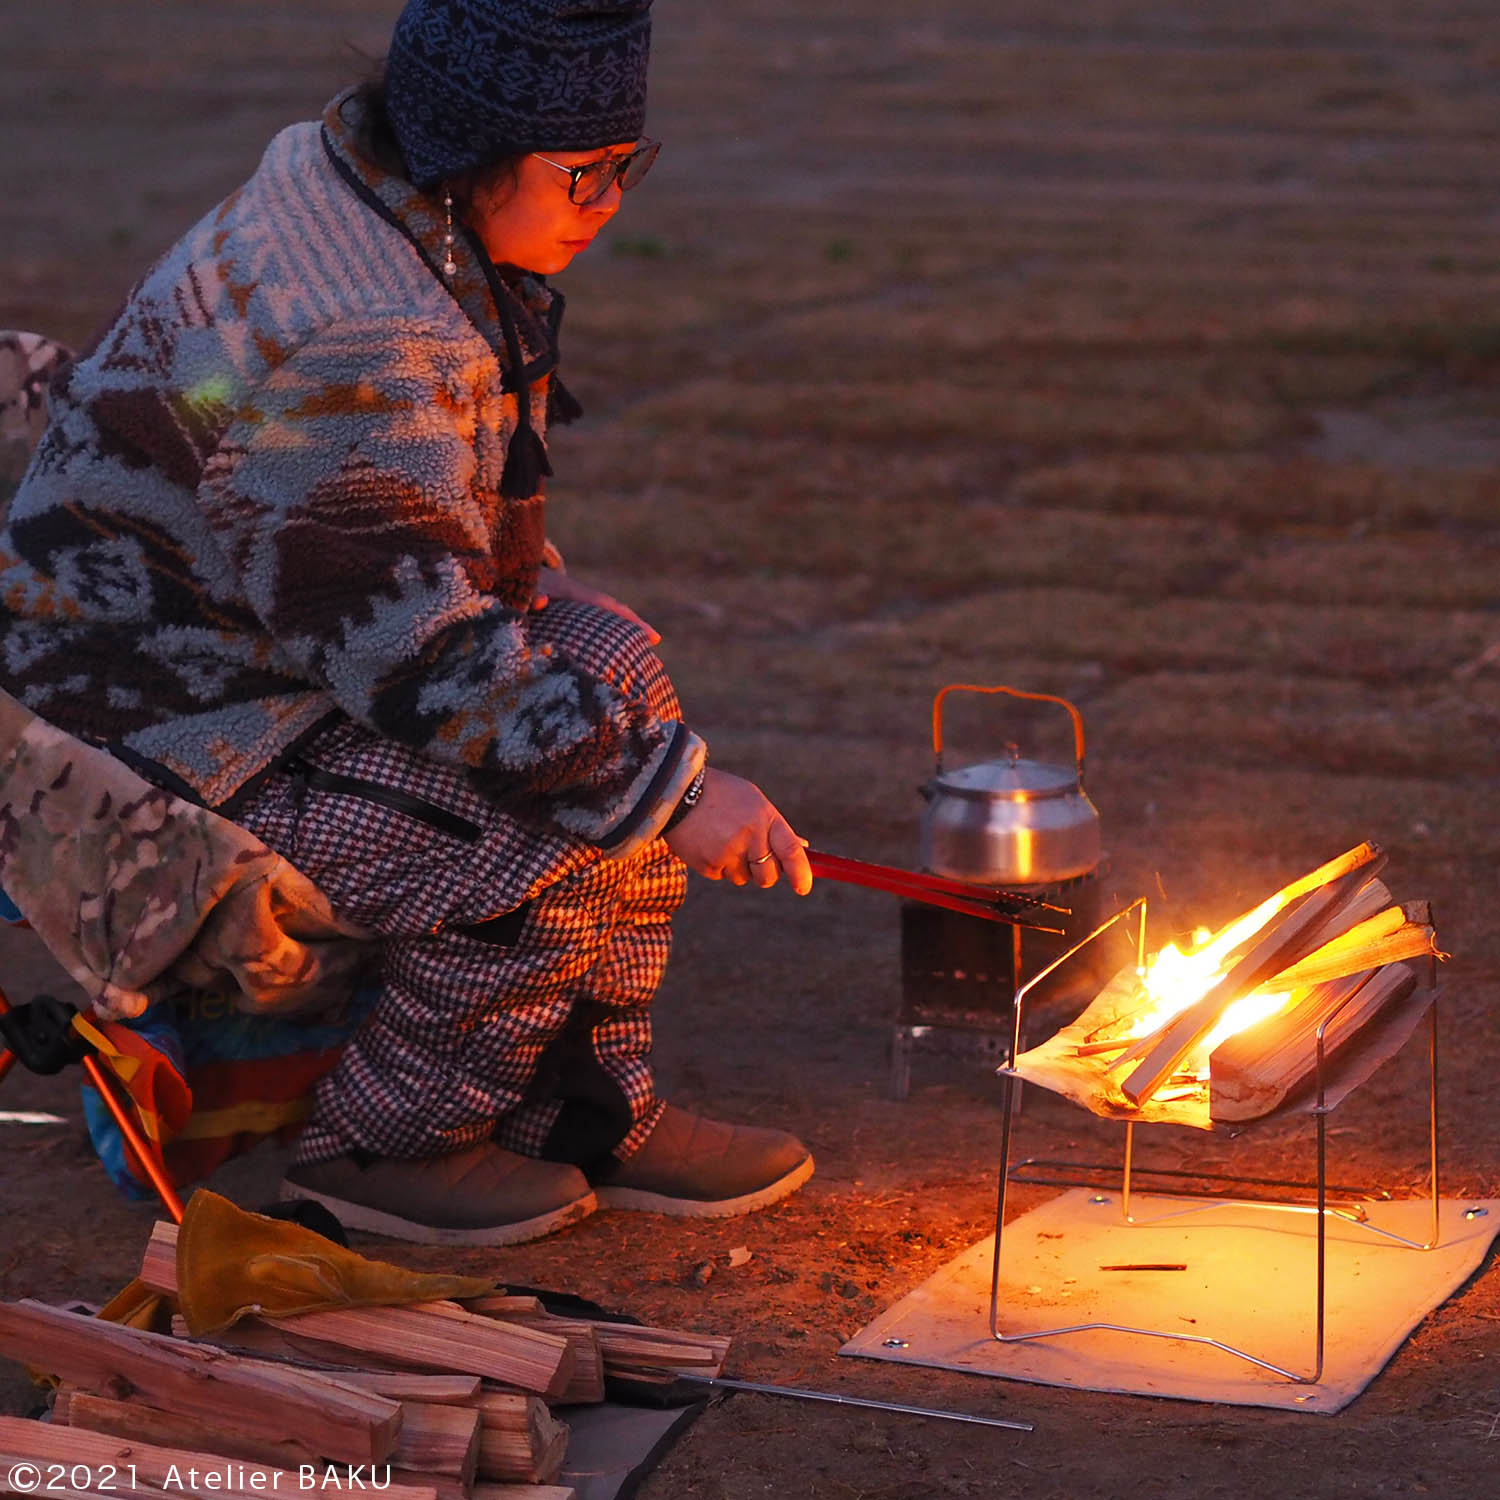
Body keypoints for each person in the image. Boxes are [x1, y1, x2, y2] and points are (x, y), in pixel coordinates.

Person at [0, 0, 816, 1245]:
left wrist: (554, 621)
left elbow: (388, 544)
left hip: (256, 637)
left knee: (618, 672)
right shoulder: (364, 324)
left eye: (624, 166)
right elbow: (414, 648)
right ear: (468, 146)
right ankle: (388, 1142)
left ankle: (578, 1108)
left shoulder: (377, 191)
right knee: (551, 829)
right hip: (153, 708)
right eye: (581, 174)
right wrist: (671, 797)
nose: (608, 204)